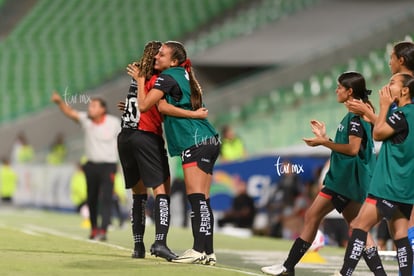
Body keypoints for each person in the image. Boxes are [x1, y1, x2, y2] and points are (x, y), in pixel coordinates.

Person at [261, 72, 385, 276]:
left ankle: (287, 267)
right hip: (352, 181)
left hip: (344, 181)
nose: (336, 90)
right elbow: (355, 146)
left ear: (350, 91)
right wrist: (325, 137)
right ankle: (380, 274)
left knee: (313, 216)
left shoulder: (356, 116)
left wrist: (323, 142)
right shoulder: (362, 112)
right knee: (358, 228)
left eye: (339, 87)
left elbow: (352, 149)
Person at [127, 40, 220, 265]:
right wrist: (195, 115)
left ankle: (198, 250)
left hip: (194, 141)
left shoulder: (166, 77)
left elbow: (144, 105)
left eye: (162, 54)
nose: (157, 57)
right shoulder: (182, 75)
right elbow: (164, 108)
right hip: (208, 139)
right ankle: (208, 252)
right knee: (203, 199)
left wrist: (140, 80)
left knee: (196, 197)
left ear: (174, 60)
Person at [337, 73, 414, 276]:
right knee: (400, 235)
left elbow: (377, 133)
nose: (387, 87)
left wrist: (383, 106)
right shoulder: (410, 114)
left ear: (405, 90)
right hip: (406, 187)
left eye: (392, 83)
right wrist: (370, 113)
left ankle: (345, 272)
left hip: (388, 184)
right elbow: (387, 131)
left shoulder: (401, 114)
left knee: (359, 226)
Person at [51, 91, 120, 241]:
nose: (90, 109)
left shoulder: (114, 122)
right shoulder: (86, 120)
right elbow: (70, 113)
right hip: (91, 165)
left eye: (94, 106)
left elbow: (123, 141)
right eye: (90, 106)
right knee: (92, 198)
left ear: (103, 109)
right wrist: (59, 102)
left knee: (107, 198)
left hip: (108, 165)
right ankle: (94, 228)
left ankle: (103, 230)